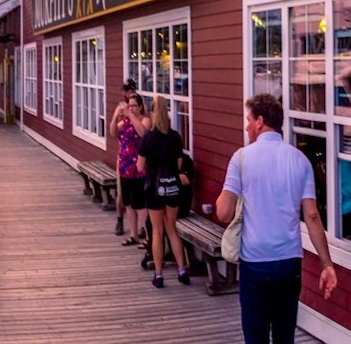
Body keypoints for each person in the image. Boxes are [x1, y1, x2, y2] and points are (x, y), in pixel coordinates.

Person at [217, 94, 338, 344]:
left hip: (255, 263)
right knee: (285, 336)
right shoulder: (300, 160)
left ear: (260, 121)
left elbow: (224, 213)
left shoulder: (240, 158)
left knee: (256, 336)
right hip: (288, 264)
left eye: (249, 119)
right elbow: (313, 216)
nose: (247, 125)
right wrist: (327, 264)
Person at [137, 98, 189, 287]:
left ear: (152, 113)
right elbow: (179, 164)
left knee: (157, 232)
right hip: (172, 187)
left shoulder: (148, 138)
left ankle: (159, 275)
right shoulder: (175, 137)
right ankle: (182, 271)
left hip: (154, 188)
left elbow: (140, 165)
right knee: (172, 230)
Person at [115, 87, 150, 246]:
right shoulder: (125, 121)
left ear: (141, 107)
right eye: (129, 106)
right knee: (128, 204)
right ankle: (134, 234)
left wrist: (131, 116)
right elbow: (112, 132)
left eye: (134, 106)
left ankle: (148, 237)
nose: (131, 108)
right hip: (124, 167)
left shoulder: (144, 120)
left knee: (140, 204)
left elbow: (143, 133)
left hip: (138, 168)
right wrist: (115, 116)